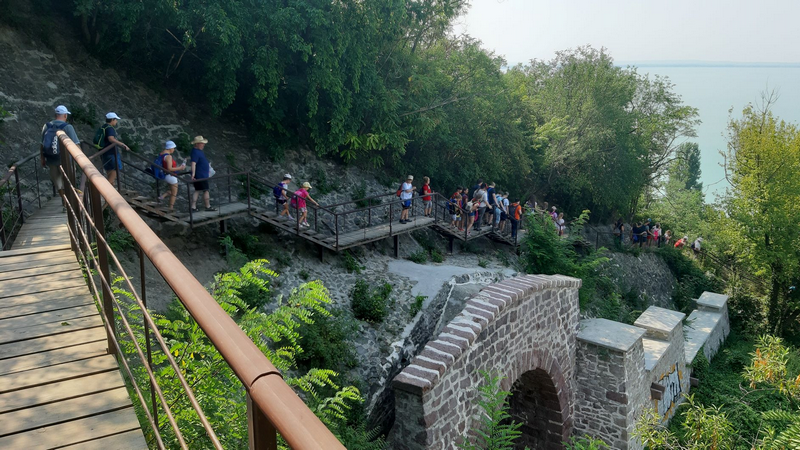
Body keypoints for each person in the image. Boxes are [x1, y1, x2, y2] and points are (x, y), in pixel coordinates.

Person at [41, 105, 80, 212]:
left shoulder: (47, 126)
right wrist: (80, 158)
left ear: (55, 115)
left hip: (51, 159)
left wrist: (42, 158)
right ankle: (68, 204)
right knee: (68, 181)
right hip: (66, 160)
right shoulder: (68, 127)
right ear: (65, 115)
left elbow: (42, 144)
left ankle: (64, 201)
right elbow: (76, 144)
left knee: (58, 183)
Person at [97, 112, 130, 187]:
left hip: (104, 152)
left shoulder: (103, 127)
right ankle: (106, 188)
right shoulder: (110, 128)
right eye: (116, 120)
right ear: (112, 120)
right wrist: (122, 144)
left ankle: (111, 186)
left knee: (109, 170)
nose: (116, 121)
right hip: (111, 152)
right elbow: (111, 139)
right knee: (115, 168)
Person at [155, 140, 186, 212]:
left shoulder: (161, 154)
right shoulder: (168, 156)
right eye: (173, 148)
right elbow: (169, 168)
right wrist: (180, 168)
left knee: (172, 190)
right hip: (171, 176)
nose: (174, 150)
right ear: (170, 148)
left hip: (164, 175)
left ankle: (162, 196)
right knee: (174, 193)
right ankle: (170, 208)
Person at [190, 135, 216, 211]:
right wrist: (193, 174)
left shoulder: (198, 151)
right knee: (206, 190)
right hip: (201, 175)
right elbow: (193, 163)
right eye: (202, 143)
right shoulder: (195, 152)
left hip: (202, 174)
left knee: (198, 190)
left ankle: (193, 207)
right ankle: (207, 206)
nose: (203, 145)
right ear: (197, 144)